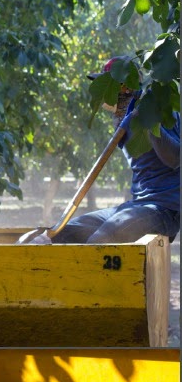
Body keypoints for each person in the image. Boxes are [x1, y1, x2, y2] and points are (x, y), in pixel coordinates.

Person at [34, 57, 180, 245]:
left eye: (105, 86)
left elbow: (175, 158)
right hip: (136, 206)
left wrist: (150, 121)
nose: (101, 95)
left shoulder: (155, 109)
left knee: (99, 242)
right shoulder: (126, 115)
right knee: (62, 234)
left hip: (165, 210)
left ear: (125, 88)